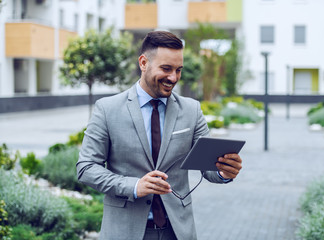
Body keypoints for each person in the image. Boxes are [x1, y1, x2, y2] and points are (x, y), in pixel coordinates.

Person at [77, 30, 243, 240]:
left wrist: (224, 172)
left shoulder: (192, 110)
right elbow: (86, 168)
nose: (173, 77)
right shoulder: (107, 109)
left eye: (178, 70)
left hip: (177, 231)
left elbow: (207, 168)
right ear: (143, 63)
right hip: (125, 231)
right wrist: (134, 186)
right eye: (166, 68)